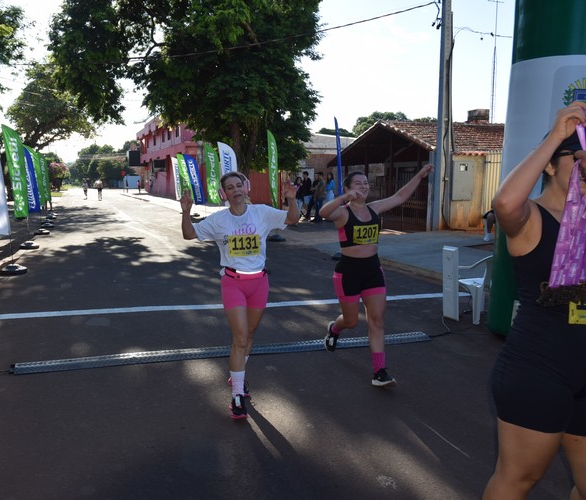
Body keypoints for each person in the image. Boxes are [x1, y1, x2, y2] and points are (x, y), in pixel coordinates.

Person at [483, 102, 586, 499]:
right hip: (539, 371)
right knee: (518, 480)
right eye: (576, 156)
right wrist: (554, 137)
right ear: (551, 164)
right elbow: (505, 205)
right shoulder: (532, 217)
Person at [180, 172, 299, 419]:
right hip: (233, 283)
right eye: (229, 187)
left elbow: (293, 219)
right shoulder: (218, 220)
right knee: (241, 337)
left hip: (260, 282)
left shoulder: (262, 213)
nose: (235, 190)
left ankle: (238, 375)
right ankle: (236, 396)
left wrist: (292, 199)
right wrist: (185, 211)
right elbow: (189, 235)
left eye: (238, 185)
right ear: (224, 193)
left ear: (246, 188)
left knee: (250, 335)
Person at [319, 164, 433, 387]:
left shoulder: (374, 208)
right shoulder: (343, 212)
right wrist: (344, 197)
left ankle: (379, 371)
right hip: (348, 273)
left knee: (377, 321)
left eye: (366, 183)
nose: (364, 186)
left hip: (372, 270)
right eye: (358, 183)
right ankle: (334, 328)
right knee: (351, 321)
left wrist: (419, 175)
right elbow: (324, 213)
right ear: (349, 188)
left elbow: (400, 196)